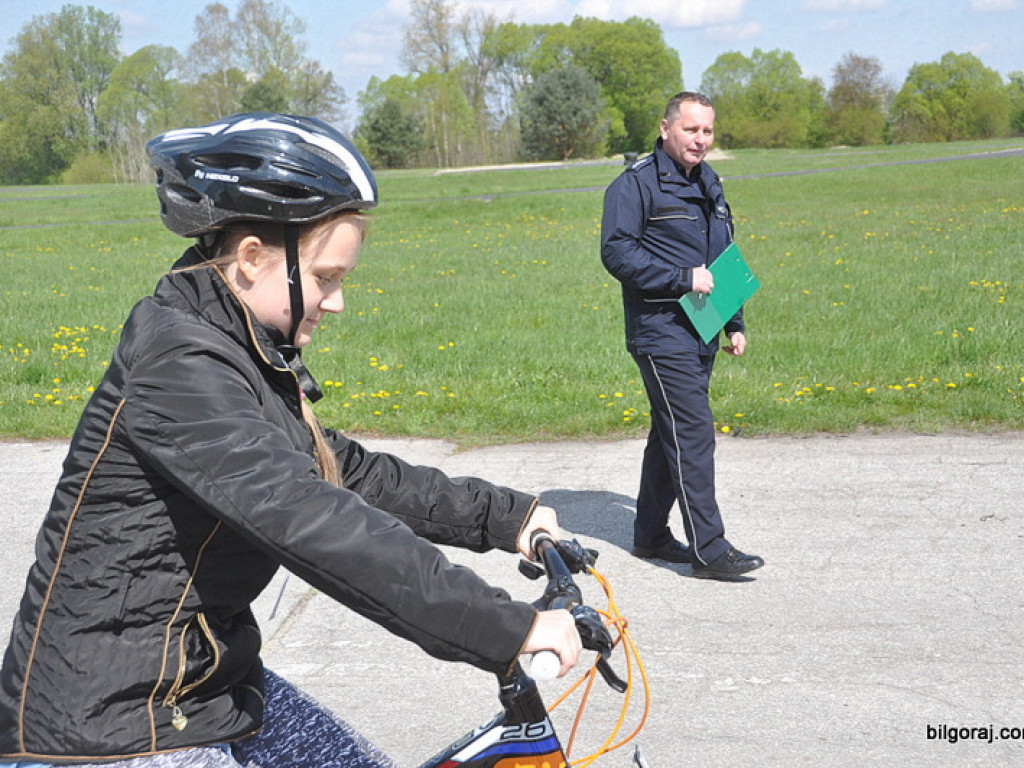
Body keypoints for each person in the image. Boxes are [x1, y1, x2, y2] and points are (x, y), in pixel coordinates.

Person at [0, 113, 581, 767]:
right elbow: (312, 520)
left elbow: (349, 474)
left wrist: (510, 518)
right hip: (112, 725)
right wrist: (507, 626)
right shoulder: (180, 363)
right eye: (328, 277)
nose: (336, 302)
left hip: (203, 687)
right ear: (251, 258)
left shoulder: (240, 348)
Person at [600, 92, 764, 581]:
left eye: (708, 131)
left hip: (703, 328)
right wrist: (681, 278)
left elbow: (722, 254)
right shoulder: (634, 186)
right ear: (666, 128)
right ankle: (709, 549)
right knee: (692, 433)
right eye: (691, 130)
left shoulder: (708, 181)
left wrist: (733, 322)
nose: (701, 140)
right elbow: (617, 254)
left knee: (667, 432)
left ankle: (649, 534)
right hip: (660, 332)